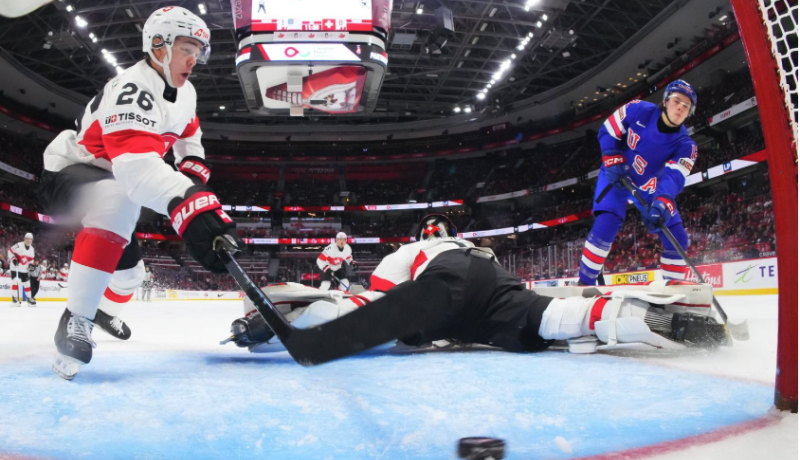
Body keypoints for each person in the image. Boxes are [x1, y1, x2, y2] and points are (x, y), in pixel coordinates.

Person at [39, 6, 242, 380]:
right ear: (159, 46)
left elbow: (189, 138)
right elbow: (134, 171)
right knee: (117, 200)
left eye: (199, 51)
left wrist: (193, 178)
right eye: (186, 48)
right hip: (71, 173)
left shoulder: (186, 92)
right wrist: (189, 202)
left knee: (131, 275)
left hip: (114, 182)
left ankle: (102, 311)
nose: (194, 59)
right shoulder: (132, 88)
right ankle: (76, 318)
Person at [225, 214, 728, 359]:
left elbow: (376, 297)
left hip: (446, 287)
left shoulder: (411, 250)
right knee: (549, 320)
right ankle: (643, 315)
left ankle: (282, 313)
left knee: (368, 310)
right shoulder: (472, 245)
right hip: (490, 292)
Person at [578, 80, 699, 286]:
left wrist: (662, 201)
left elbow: (674, 177)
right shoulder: (638, 109)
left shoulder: (686, 146)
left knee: (677, 237)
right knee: (607, 222)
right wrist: (612, 156)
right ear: (666, 100)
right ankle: (584, 284)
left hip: (650, 188)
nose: (680, 107)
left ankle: (675, 291)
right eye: (677, 100)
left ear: (689, 113)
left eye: (686, 106)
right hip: (617, 173)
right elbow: (608, 130)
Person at [7, 232, 35, 306]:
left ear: (32, 240)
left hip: (23, 268)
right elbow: (10, 251)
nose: (29, 240)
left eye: (30, 239)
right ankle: (14, 299)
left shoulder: (32, 249)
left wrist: (31, 266)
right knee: (14, 281)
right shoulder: (19, 245)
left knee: (26, 283)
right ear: (24, 239)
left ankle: (29, 298)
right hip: (14, 266)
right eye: (27, 239)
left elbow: (31, 260)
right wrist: (13, 259)